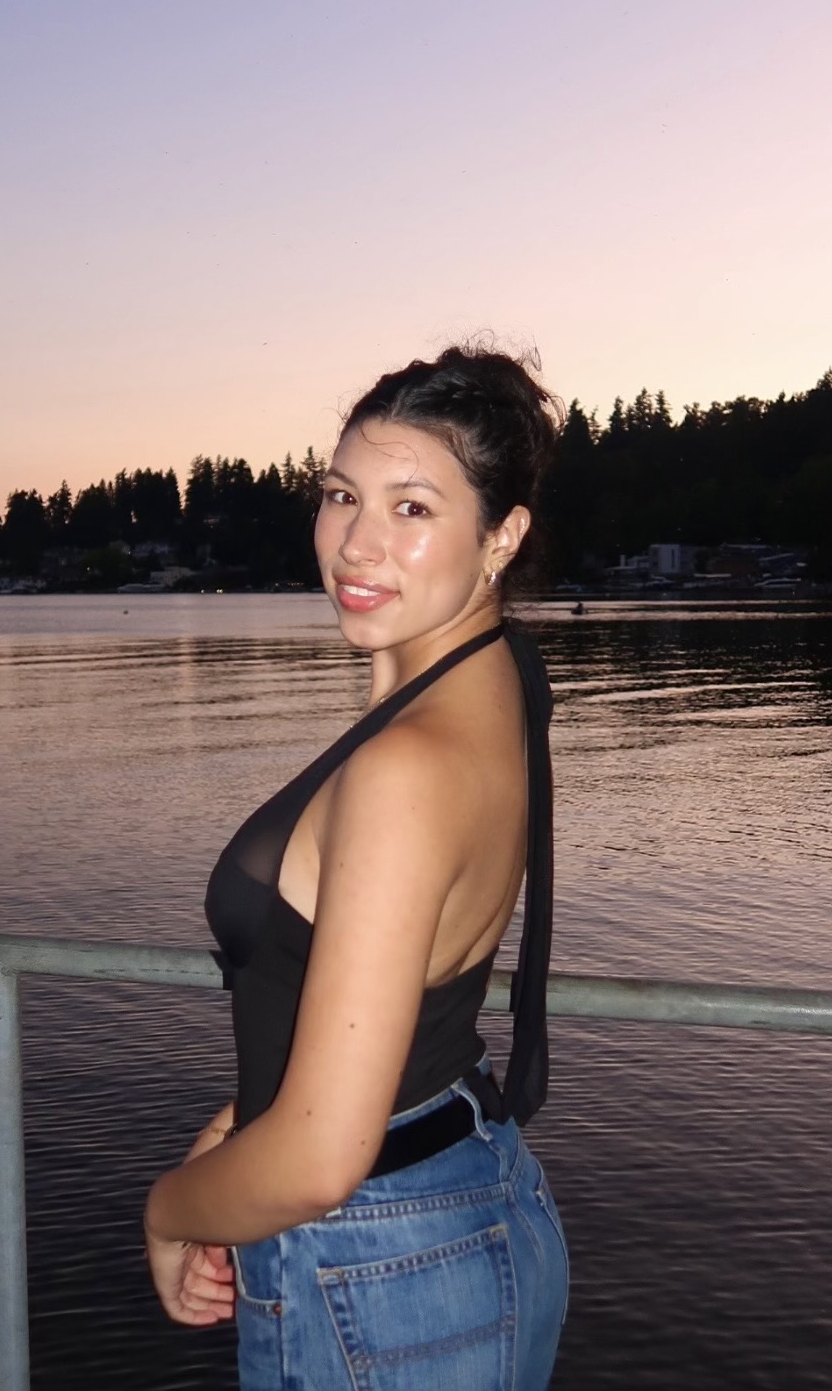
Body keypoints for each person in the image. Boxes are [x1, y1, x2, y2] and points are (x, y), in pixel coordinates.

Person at [144, 344, 570, 1388]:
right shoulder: (495, 675)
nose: (355, 542)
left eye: (411, 507)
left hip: (377, 1261)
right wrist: (240, 1126)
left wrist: (169, 1210)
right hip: (462, 1195)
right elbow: (379, 1008)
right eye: (341, 495)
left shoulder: (404, 768)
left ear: (501, 535)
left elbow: (318, 1158)